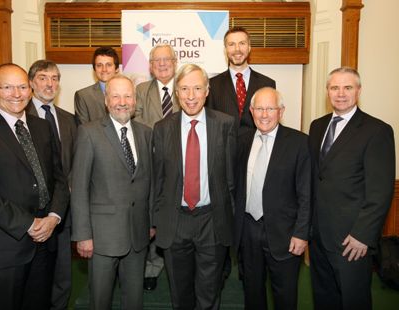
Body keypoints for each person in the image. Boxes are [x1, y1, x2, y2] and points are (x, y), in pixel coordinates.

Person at [0, 63, 70, 310]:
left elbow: (59, 179)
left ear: (30, 90)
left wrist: (53, 217)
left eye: (21, 87)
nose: (16, 94)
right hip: (4, 246)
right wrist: (29, 224)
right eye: (7, 87)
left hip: (45, 242)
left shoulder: (42, 127)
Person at [308, 67, 396, 310]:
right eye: (334, 88)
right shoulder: (317, 127)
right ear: (327, 92)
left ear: (358, 91)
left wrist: (362, 235)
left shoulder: (376, 130)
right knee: (324, 298)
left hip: (351, 240)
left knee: (353, 300)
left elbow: (380, 191)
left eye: (348, 87)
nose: (341, 93)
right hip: (318, 236)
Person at [153, 64, 236, 309]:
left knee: (209, 293)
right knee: (180, 293)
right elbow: (158, 179)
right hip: (175, 220)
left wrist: (228, 217)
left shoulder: (225, 124)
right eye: (185, 89)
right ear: (176, 92)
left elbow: (231, 178)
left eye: (197, 88)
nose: (191, 96)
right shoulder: (162, 128)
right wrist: (156, 219)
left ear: (207, 91)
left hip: (212, 219)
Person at [71, 74, 153, 309]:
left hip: (138, 235)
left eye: (127, 95)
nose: (122, 101)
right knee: (100, 300)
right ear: (106, 100)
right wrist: (83, 235)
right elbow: (79, 188)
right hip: (101, 238)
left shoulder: (146, 133)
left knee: (134, 301)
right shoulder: (89, 133)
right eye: (115, 95)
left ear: (135, 100)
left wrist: (151, 223)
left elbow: (150, 182)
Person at [234, 87, 311, 310]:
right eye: (259, 108)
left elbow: (306, 193)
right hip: (248, 230)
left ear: (281, 111)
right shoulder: (242, 140)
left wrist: (301, 233)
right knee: (252, 291)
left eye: (270, 108)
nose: (264, 114)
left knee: (285, 296)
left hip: (285, 234)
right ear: (251, 111)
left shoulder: (299, 143)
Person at [26, 59, 77, 310]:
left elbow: (76, 161)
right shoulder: (20, 118)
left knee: (62, 274)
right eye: (44, 78)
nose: (50, 83)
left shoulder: (70, 120)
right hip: (31, 216)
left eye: (55, 78)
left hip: (64, 210)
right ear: (32, 83)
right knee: (34, 278)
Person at [134, 43, 180, 291]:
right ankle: (151, 268)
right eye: (157, 61)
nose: (162, 64)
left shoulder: (186, 88)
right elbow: (138, 124)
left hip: (183, 165)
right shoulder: (141, 90)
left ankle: (178, 263)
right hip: (151, 163)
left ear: (175, 62)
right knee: (151, 214)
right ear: (150, 67)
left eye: (167, 59)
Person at [206, 26, 276, 129]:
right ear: (225, 49)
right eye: (231, 44)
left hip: (257, 144)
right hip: (223, 144)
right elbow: (210, 123)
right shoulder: (212, 85)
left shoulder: (267, 84)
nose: (237, 49)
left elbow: (272, 121)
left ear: (249, 47)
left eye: (242, 43)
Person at [74, 46, 120, 125]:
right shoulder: (83, 96)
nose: (104, 69)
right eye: (99, 65)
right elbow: (83, 130)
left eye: (108, 65)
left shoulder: (128, 93)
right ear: (94, 69)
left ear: (117, 69)